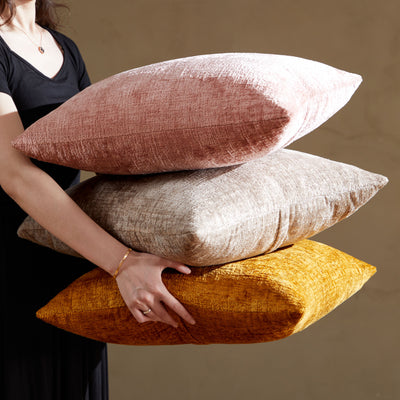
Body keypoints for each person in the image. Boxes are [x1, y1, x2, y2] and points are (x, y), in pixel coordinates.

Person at [0, 1, 196, 399]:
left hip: (71, 259)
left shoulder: (65, 49)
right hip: (10, 267)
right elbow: (14, 174)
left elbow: (99, 152)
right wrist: (122, 262)